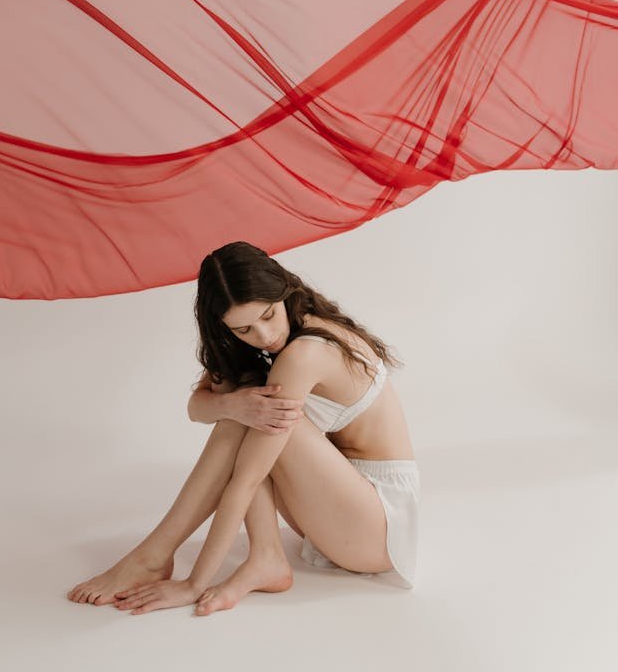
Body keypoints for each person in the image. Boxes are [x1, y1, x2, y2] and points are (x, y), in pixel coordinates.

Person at [67, 240, 420, 616]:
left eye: (268, 315)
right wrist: (231, 404)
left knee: (255, 410)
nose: (265, 336)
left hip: (377, 523)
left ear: (284, 292)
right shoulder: (276, 340)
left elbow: (246, 480)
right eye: (244, 329)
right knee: (245, 403)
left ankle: (159, 556)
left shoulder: (304, 354)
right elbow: (197, 407)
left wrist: (194, 584)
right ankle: (258, 556)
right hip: (336, 507)